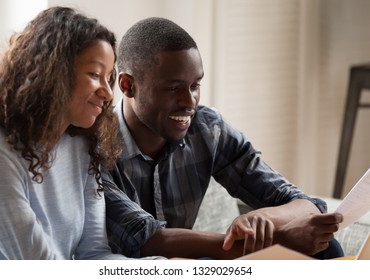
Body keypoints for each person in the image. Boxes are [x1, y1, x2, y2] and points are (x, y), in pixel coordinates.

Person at [0, 6, 248, 261]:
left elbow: (94, 254)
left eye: (109, 76)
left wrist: (163, 268)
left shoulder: (78, 143)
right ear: (53, 74)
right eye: (94, 74)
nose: (106, 91)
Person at [106, 16, 344, 259]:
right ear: (128, 85)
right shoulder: (95, 148)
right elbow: (146, 240)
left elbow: (305, 204)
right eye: (173, 88)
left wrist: (262, 216)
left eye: (195, 86)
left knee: (326, 246)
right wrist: (278, 241)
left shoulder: (207, 128)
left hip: (187, 264)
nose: (190, 103)